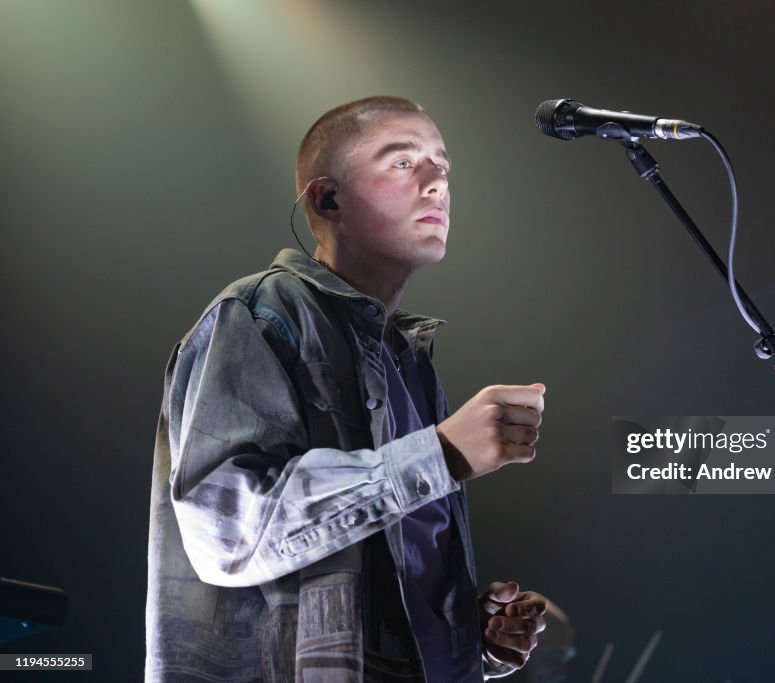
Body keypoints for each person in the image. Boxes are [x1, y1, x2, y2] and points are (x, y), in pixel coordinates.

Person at [146, 96, 547, 682]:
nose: (438, 183)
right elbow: (225, 531)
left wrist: (469, 635)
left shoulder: (407, 357)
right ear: (327, 198)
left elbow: (379, 568)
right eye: (404, 162)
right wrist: (439, 454)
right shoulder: (258, 315)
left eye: (443, 165)